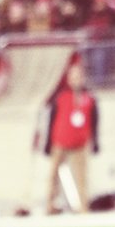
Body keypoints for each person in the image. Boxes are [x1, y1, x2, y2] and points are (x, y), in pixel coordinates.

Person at [43, 62, 100, 214]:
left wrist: (95, 142)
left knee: (82, 177)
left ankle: (83, 207)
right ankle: (50, 205)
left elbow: (94, 122)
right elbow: (51, 120)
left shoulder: (90, 98)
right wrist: (48, 143)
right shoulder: (60, 97)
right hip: (60, 141)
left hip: (80, 143)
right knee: (53, 176)